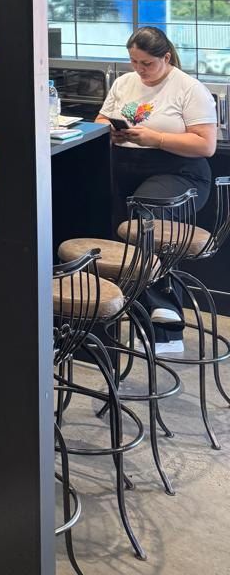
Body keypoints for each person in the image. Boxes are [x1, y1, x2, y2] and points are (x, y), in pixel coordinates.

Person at [97, 25, 217, 353]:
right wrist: (114, 132)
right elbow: (100, 123)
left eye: (146, 64)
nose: (139, 70)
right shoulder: (124, 83)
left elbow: (205, 145)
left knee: (146, 210)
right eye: (133, 62)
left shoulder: (189, 89)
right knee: (87, 201)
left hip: (180, 173)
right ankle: (108, 317)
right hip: (126, 167)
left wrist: (155, 138)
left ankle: (162, 320)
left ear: (165, 57)